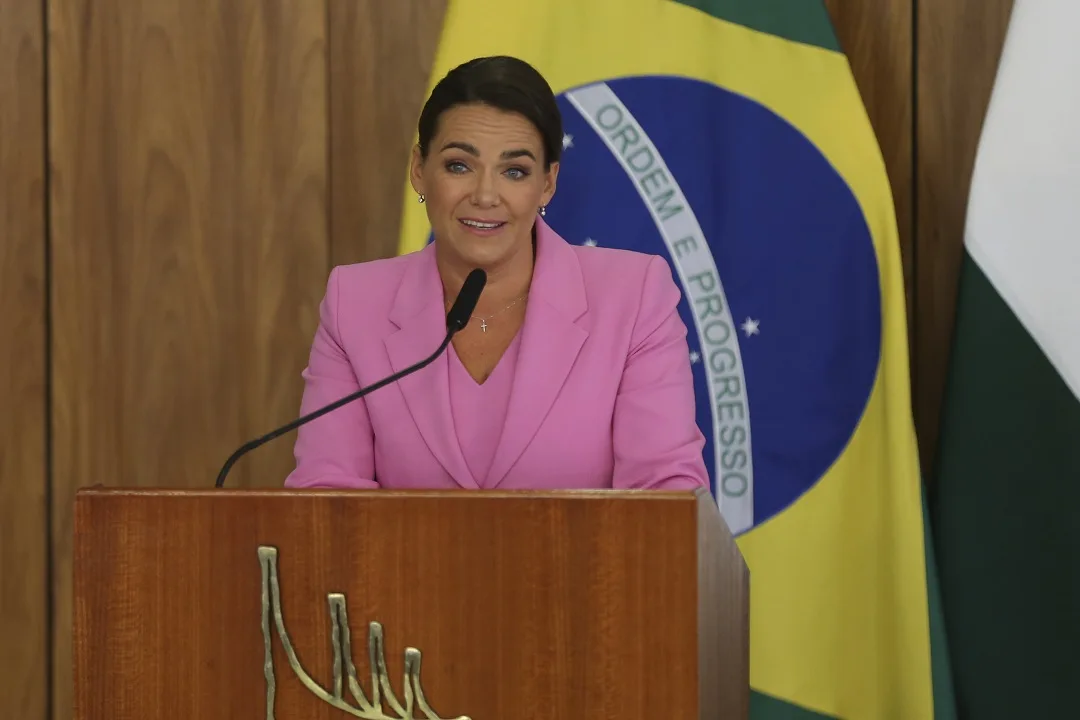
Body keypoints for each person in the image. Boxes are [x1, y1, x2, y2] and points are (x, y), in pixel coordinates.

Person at [284, 55, 708, 492]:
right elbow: (326, 495)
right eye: (459, 166)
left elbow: (666, 498)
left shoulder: (633, 297)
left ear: (547, 184)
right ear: (419, 170)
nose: (486, 195)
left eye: (514, 171)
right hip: (404, 564)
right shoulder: (354, 302)